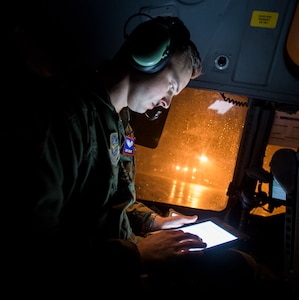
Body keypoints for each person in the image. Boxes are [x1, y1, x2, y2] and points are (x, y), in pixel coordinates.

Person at [3, 6, 279, 299]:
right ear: (146, 56)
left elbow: (113, 198)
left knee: (242, 264)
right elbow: (36, 249)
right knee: (242, 272)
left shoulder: (122, 124)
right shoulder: (67, 117)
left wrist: (156, 222)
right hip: (102, 274)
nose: (166, 103)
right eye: (171, 86)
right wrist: (135, 255)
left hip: (124, 261)